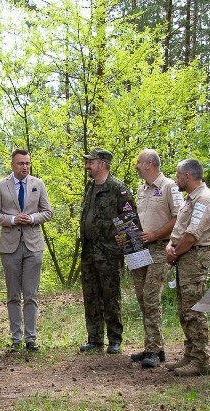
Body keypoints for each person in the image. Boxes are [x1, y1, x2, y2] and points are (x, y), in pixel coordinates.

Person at [0, 149, 54, 351]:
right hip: (10, 246)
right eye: (20, 163)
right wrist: (12, 220)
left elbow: (48, 212)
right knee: (13, 295)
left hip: (34, 245)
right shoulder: (0, 185)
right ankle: (16, 339)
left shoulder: (38, 184)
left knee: (31, 294)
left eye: (27, 163)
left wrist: (32, 219)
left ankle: (31, 338)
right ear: (12, 165)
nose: (25, 167)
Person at [163, 159, 210, 376]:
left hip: (194, 258)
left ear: (187, 176)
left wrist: (174, 252)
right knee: (183, 309)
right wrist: (170, 245)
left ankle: (201, 360)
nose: (176, 179)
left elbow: (192, 235)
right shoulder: (190, 200)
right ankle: (190, 354)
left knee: (194, 310)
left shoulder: (205, 199)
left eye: (178, 175)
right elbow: (180, 229)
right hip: (184, 257)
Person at [79, 148, 137, 355]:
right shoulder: (90, 186)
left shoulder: (117, 188)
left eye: (91, 162)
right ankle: (94, 339)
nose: (87, 166)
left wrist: (124, 247)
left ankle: (114, 339)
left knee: (111, 296)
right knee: (91, 295)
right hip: (89, 251)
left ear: (102, 164)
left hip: (109, 252)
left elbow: (130, 219)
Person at [129, 149, 184, 368]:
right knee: (142, 298)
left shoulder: (170, 186)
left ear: (149, 164)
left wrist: (156, 234)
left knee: (152, 296)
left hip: (161, 248)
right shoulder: (141, 189)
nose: (136, 166)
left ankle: (153, 349)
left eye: (139, 162)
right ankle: (154, 346)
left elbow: (179, 217)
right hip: (138, 249)